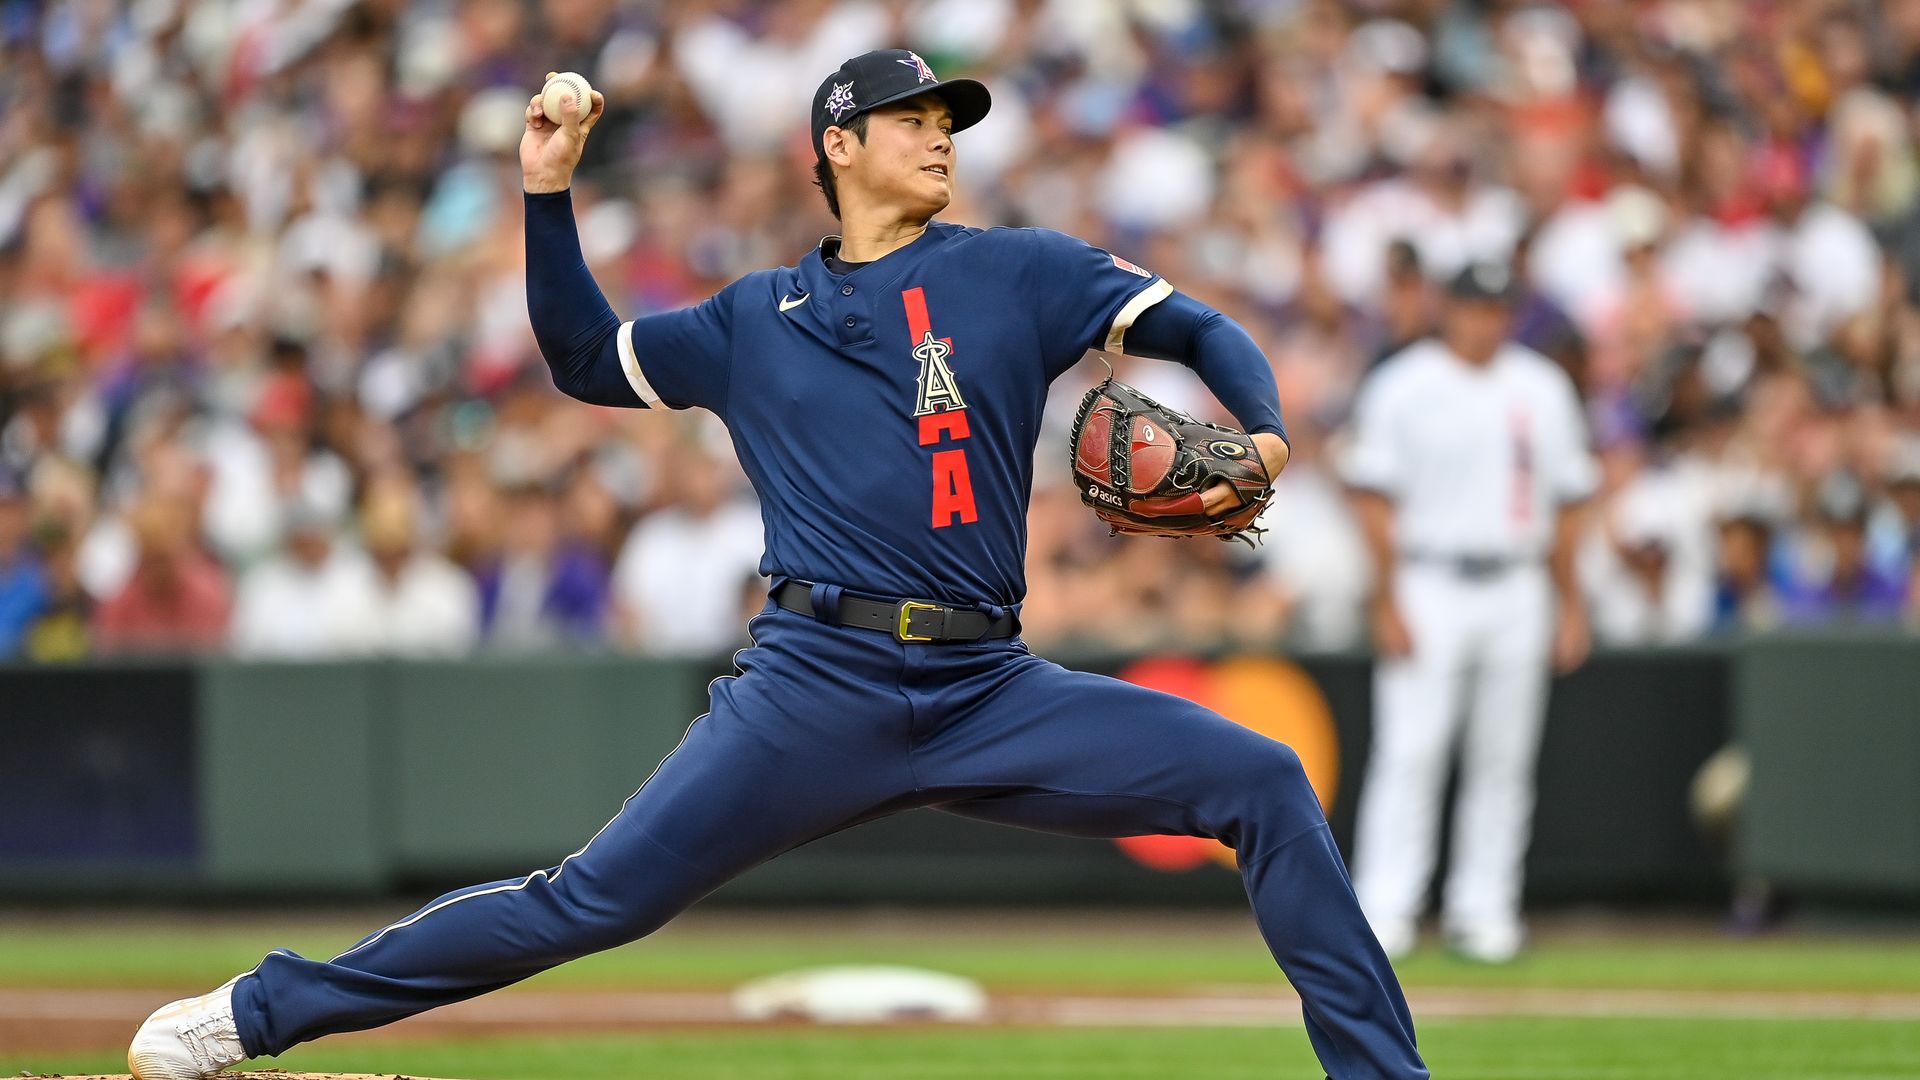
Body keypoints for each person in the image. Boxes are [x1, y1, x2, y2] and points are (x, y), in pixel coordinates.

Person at [127, 51, 1427, 1079]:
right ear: (839, 148)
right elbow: (585, 357)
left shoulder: (1020, 272)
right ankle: (257, 1008)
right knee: (583, 903)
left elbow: (1196, 327)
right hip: (816, 685)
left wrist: (1257, 430)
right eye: (911, 115)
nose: (940, 134)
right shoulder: (756, 318)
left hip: (989, 684)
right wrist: (545, 191)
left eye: (949, 117)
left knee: (1259, 778)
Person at [1342, 261, 1598, 964]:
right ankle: (1386, 906)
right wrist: (1386, 597)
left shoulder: (1541, 387)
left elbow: (1570, 502)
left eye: (1497, 309)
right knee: (1411, 751)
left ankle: (1484, 909)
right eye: (1473, 307)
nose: (1485, 321)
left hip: (1519, 580)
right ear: (1447, 310)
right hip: (1430, 576)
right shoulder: (1405, 383)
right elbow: (1372, 498)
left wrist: (1571, 602)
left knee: (1503, 760)